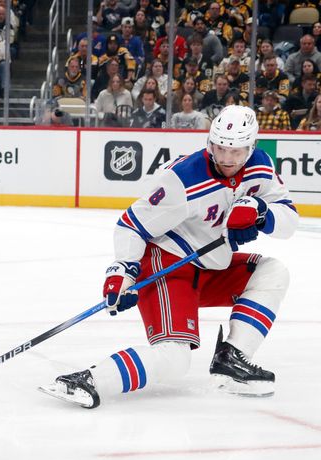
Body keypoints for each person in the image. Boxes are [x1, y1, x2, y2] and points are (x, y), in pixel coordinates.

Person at [39, 105, 298, 409]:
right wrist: (122, 271)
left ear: (251, 147)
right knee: (175, 359)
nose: (227, 158)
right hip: (168, 265)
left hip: (212, 265)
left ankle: (231, 358)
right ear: (210, 143)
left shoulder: (261, 167)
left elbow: (289, 218)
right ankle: (88, 380)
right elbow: (132, 224)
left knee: (273, 272)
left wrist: (261, 213)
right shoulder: (182, 180)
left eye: (237, 151)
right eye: (220, 148)